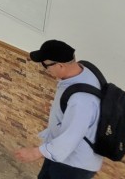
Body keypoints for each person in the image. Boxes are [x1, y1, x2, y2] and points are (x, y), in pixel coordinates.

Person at [14, 39, 103, 179]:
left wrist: (35, 152)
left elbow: (71, 137)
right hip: (59, 154)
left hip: (73, 164)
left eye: (46, 65)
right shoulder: (83, 69)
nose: (46, 69)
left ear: (61, 66)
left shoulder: (81, 100)